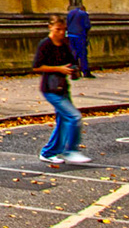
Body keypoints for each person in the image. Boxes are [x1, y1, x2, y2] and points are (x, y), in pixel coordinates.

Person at [33, 13, 91, 165]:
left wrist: (73, 69)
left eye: (63, 29)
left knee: (64, 120)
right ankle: (70, 150)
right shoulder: (45, 44)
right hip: (50, 88)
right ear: (50, 27)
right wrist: (59, 69)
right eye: (58, 29)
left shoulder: (64, 44)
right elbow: (37, 66)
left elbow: (70, 61)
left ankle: (48, 152)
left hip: (62, 88)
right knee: (74, 117)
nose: (61, 32)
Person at [64, 0, 93, 78]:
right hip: (79, 35)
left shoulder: (70, 14)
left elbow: (67, 24)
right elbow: (87, 26)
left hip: (70, 35)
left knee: (73, 54)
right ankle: (85, 71)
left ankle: (75, 71)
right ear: (83, 9)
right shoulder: (83, 14)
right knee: (82, 54)